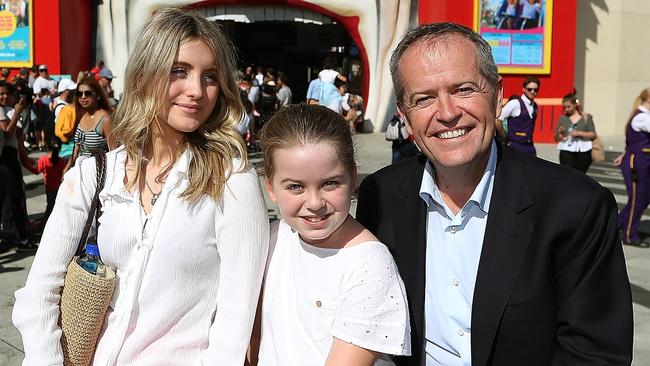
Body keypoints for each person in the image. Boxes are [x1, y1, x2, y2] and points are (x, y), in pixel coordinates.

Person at [356, 22, 633, 365]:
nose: (446, 113)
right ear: (405, 116)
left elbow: (595, 354)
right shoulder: (380, 196)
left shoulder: (576, 207)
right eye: (424, 98)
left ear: (499, 95)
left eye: (464, 89)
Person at [13, 7, 269, 365]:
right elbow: (38, 294)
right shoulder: (95, 174)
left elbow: (235, 323)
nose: (196, 90)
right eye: (179, 71)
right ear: (144, 77)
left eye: (210, 76)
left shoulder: (232, 180)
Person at [254, 104, 410, 365]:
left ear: (353, 178)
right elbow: (256, 337)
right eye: (295, 187)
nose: (314, 203)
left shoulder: (369, 265)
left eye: (329, 183)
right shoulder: (272, 239)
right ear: (270, 187)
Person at [0, 81, 36, 251]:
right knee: (13, 199)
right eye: (1, 94)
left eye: (7, 93)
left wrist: (27, 161)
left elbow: (18, 140)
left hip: (12, 159)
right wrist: (16, 113)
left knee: (13, 199)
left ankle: (14, 235)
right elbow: (7, 132)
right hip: (5, 160)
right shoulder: (2, 110)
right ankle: (20, 238)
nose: (5, 97)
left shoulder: (11, 110)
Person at [614, 87, 650, 248]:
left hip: (643, 161)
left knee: (643, 198)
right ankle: (629, 235)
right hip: (637, 162)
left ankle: (616, 224)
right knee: (638, 198)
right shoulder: (641, 117)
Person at [64, 76, 113, 172]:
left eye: (88, 93)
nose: (83, 97)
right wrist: (67, 169)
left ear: (98, 95)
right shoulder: (80, 115)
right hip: (80, 172)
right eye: (79, 94)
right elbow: (76, 148)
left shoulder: (105, 120)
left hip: (99, 175)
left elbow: (114, 152)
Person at [554, 92, 596, 173]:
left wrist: (578, 133)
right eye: (564, 107)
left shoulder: (586, 117)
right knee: (568, 173)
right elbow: (557, 138)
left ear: (575, 105)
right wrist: (559, 133)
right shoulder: (563, 118)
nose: (566, 109)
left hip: (584, 150)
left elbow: (592, 134)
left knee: (581, 175)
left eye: (569, 107)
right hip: (567, 149)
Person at [496, 76, 540, 155]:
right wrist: (504, 136)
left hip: (530, 146)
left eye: (535, 90)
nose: (532, 91)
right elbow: (498, 119)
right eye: (529, 89)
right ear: (524, 89)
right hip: (515, 146)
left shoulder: (535, 106)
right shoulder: (515, 103)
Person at [34, 142, 66, 221]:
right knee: (57, 204)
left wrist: (27, 163)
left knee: (50, 205)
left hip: (49, 187)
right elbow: (64, 172)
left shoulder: (43, 160)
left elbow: (37, 170)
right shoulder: (61, 161)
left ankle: (47, 221)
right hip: (58, 187)